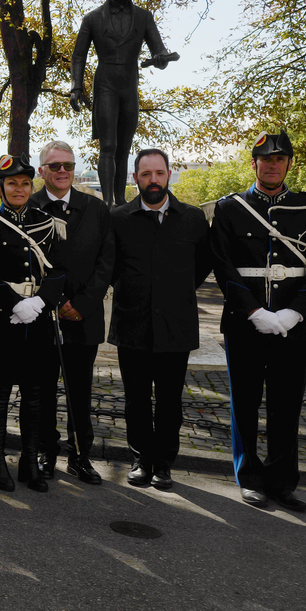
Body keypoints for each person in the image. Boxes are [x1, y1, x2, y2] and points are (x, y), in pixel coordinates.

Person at [208, 131, 306, 511]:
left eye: (280, 159)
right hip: (245, 323)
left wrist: (296, 312)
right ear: (254, 164)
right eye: (265, 159)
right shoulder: (230, 208)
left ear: (289, 164)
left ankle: (282, 482)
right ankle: (249, 478)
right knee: (244, 403)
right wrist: (254, 311)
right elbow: (223, 265)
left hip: (294, 326)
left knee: (287, 405)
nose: (272, 164)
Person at [109, 148, 211, 489]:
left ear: (169, 175)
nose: (153, 180)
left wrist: (173, 291)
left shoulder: (194, 219)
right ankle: (140, 460)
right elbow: (110, 267)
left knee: (169, 400)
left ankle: (164, 464)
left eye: (159, 173)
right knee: (135, 399)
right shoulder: (119, 218)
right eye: (145, 174)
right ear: (135, 178)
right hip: (132, 323)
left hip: (175, 325)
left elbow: (203, 266)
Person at [0, 154, 66, 493]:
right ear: (0, 188)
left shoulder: (48, 223)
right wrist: (16, 304)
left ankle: (30, 461)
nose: (19, 188)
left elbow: (58, 271)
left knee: (35, 394)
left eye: (25, 183)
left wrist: (40, 302)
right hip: (3, 320)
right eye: (12, 183)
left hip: (39, 319)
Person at [29, 140, 112, 485]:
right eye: (55, 165)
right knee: (43, 388)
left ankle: (80, 455)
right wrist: (52, 302)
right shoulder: (28, 206)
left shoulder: (95, 209)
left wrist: (81, 304)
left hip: (84, 315)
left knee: (80, 389)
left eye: (68, 165)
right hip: (41, 317)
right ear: (41, 171)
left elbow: (107, 262)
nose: (62, 171)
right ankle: (47, 451)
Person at [70, 0, 176, 206]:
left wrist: (161, 59)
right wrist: (77, 86)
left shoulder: (144, 16)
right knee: (108, 144)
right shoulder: (93, 18)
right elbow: (79, 56)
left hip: (129, 84)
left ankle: (119, 200)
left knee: (124, 146)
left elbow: (158, 51)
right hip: (106, 82)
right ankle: (106, 202)